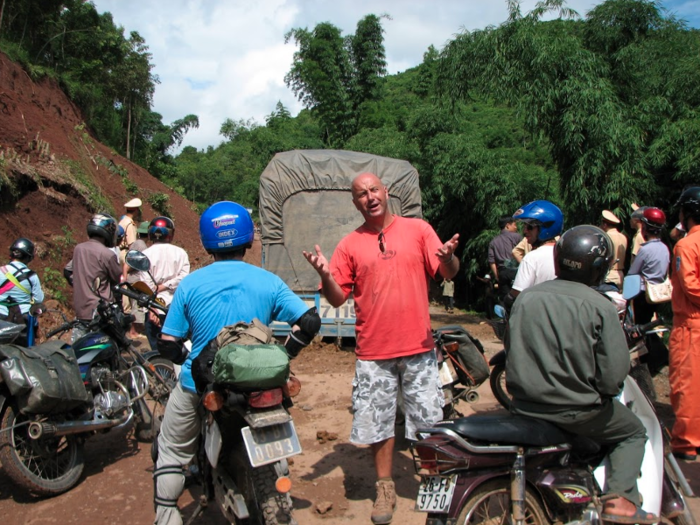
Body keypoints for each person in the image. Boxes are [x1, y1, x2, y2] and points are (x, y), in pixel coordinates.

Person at [302, 172, 459, 525]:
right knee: (379, 423)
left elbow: (448, 273)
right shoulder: (349, 245)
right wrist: (326, 277)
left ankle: (433, 481)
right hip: (374, 351)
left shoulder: (418, 230)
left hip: (418, 346)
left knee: (428, 420)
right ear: (355, 202)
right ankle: (385, 486)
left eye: (374, 189)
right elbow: (338, 296)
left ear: (385, 192)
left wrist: (448, 257)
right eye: (361, 194)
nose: (369, 197)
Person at [153, 201, 320, 524]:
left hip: (204, 385)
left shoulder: (190, 284)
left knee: (171, 450)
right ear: (247, 240)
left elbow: (168, 343)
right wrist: (285, 355)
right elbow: (309, 322)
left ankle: (166, 514)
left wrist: (193, 362)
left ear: (206, 241)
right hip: (263, 384)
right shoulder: (268, 281)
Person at [506, 225, 657, 524]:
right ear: (598, 269)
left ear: (559, 260)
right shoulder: (600, 306)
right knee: (633, 431)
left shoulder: (526, 299)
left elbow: (512, 349)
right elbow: (614, 375)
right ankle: (621, 499)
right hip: (577, 412)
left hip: (524, 407)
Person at [668, 186, 700, 461]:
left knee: (687, 385)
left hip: (691, 323)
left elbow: (690, 285)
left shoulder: (686, 245)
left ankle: (686, 442)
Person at [64, 213, 122, 342]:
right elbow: (117, 278)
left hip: (81, 310)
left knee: (78, 348)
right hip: (101, 312)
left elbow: (67, 271)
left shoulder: (79, 249)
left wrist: (79, 284)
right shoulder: (107, 254)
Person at [137, 216, 190, 351]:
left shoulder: (146, 254)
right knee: (179, 349)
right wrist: (167, 286)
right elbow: (184, 277)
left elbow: (145, 284)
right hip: (177, 306)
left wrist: (151, 308)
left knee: (157, 351)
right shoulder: (180, 253)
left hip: (154, 306)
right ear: (170, 234)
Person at [505, 200, 564, 307]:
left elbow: (515, 296)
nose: (525, 231)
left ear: (545, 228)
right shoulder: (566, 254)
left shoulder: (532, 258)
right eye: (525, 226)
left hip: (536, 317)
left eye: (530, 227)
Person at [627, 207, 670, 325]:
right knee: (649, 325)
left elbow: (633, 272)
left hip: (643, 294)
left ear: (644, 228)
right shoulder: (664, 248)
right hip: (658, 294)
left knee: (640, 328)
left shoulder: (645, 249)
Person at [0, 238, 44, 346]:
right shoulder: (32, 276)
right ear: (28, 257)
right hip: (22, 320)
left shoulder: (0, 271)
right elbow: (39, 299)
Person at [125, 220, 150, 338]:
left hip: (131, 278)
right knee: (137, 304)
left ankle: (138, 328)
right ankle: (134, 331)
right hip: (137, 279)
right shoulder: (142, 246)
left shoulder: (136, 243)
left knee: (135, 304)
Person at [487, 215, 522, 298]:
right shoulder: (517, 237)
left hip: (502, 272)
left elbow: (492, 261)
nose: (516, 227)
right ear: (507, 225)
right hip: (515, 272)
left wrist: (497, 276)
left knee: (505, 299)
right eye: (514, 225)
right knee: (518, 297)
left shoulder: (493, 242)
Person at [600, 210, 628, 290]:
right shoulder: (623, 237)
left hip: (608, 275)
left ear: (605, 224)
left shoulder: (606, 237)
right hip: (620, 274)